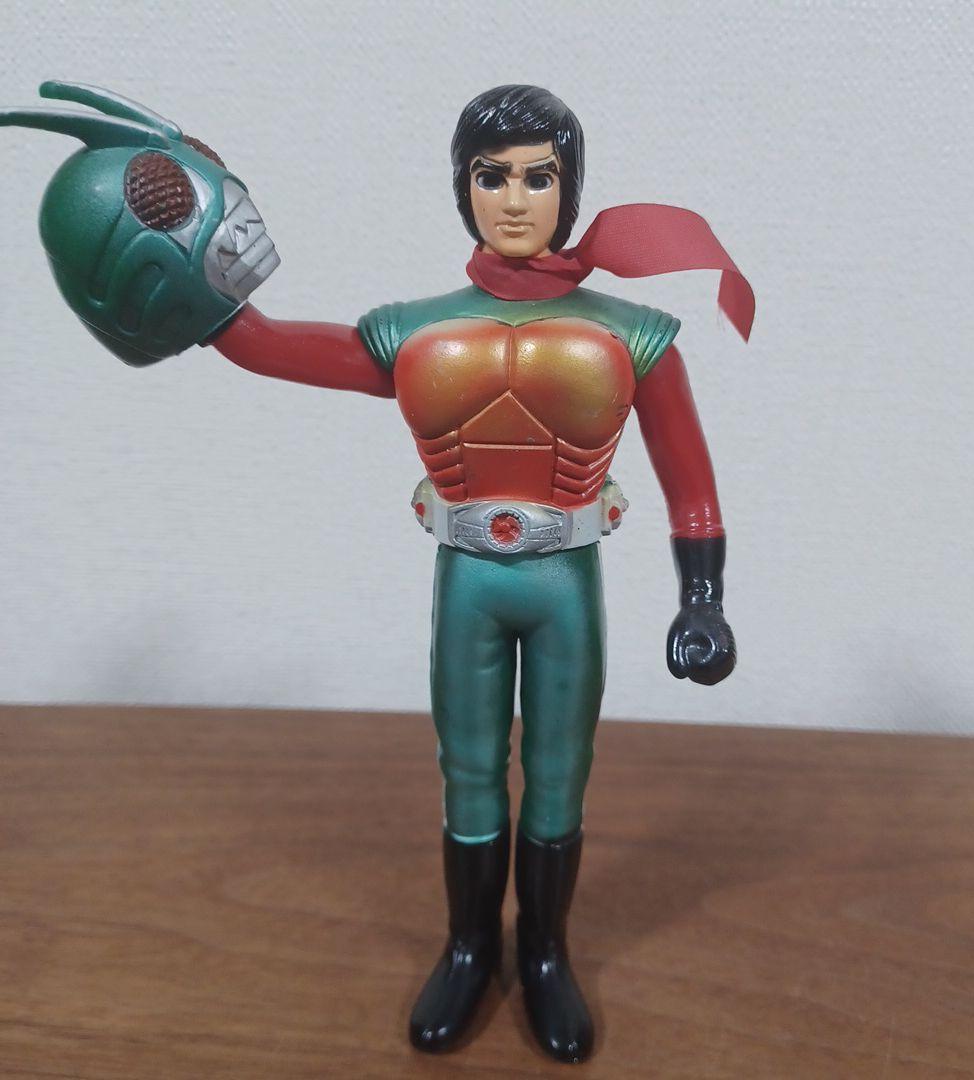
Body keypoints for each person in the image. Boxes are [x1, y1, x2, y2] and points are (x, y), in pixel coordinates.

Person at [2, 81, 753, 1064]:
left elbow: (692, 481)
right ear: (462, 188)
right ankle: (469, 946)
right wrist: (188, 261)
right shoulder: (413, 330)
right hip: (470, 578)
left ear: (570, 189)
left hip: (565, 580)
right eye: (492, 176)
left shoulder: (634, 335)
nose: (515, 198)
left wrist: (704, 598)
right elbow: (266, 344)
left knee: (562, 773)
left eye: (538, 177)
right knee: (469, 770)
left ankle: (545, 954)